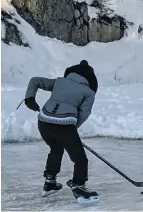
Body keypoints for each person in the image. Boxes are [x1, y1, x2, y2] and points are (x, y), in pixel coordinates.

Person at [23, 60, 99, 200]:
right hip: (65, 125)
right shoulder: (88, 92)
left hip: (44, 121)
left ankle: (50, 182)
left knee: (56, 149)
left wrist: (29, 99)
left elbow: (35, 81)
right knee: (80, 159)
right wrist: (71, 131)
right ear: (91, 80)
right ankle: (79, 187)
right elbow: (84, 113)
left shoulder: (59, 82)